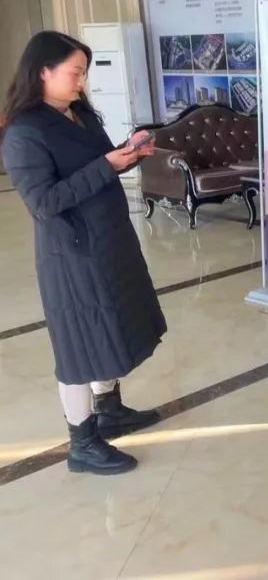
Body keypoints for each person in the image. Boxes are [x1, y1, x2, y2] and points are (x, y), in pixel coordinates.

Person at [1, 31, 166, 476]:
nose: (81, 82)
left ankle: (109, 409)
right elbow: (44, 202)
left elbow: (99, 162)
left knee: (112, 327)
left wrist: (128, 154)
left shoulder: (80, 113)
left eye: (83, 73)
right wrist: (106, 166)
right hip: (72, 254)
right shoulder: (24, 132)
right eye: (74, 73)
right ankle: (83, 443)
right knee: (79, 346)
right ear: (43, 72)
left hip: (109, 241)